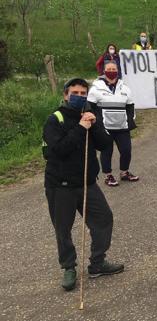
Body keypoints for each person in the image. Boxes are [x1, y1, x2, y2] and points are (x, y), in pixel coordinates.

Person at [43, 78, 124, 291]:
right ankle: (69, 267)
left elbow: (106, 144)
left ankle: (97, 262)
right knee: (63, 228)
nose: (79, 96)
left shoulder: (89, 116)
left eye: (83, 93)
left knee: (104, 219)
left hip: (87, 183)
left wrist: (94, 124)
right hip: (60, 185)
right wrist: (80, 127)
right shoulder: (55, 120)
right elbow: (57, 150)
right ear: (65, 95)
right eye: (75, 93)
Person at [88, 61, 139, 187]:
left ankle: (124, 172)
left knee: (126, 150)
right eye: (109, 69)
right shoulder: (95, 89)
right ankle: (108, 175)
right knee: (107, 151)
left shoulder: (125, 88)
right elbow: (90, 108)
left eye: (113, 68)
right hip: (104, 128)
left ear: (118, 70)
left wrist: (129, 120)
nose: (111, 71)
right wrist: (97, 124)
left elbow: (130, 107)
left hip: (122, 127)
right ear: (104, 71)